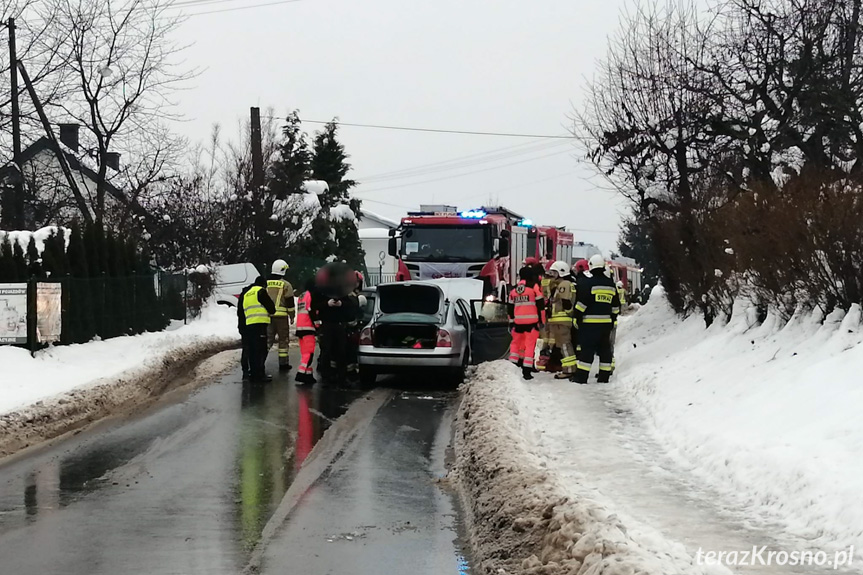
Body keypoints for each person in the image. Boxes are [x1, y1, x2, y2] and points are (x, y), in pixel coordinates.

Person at [572, 254, 620, 384]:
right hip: (606, 325)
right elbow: (616, 306)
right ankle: (604, 377)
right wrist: (612, 318)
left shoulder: (589, 283)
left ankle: (581, 378)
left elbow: (582, 304)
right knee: (605, 350)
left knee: (587, 350)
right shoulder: (611, 285)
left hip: (589, 325)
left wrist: (576, 317)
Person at [507, 265, 545, 380]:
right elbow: (541, 305)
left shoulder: (514, 290)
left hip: (518, 323)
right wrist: (542, 321)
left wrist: (511, 322)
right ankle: (527, 371)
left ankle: (513, 365)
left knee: (515, 344)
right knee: (529, 345)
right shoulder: (534, 287)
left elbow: (510, 308)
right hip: (532, 323)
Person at [238, 276, 276, 383]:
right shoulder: (260, 291)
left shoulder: (247, 293)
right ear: (263, 285)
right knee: (260, 350)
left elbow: (241, 311)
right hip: (260, 325)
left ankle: (252, 373)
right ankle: (260, 374)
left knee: (252, 351)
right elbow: (271, 308)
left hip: (248, 325)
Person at [547, 260, 577, 379]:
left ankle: (569, 369)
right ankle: (569, 368)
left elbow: (566, 303)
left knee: (565, 345)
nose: (553, 276)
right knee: (563, 345)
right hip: (560, 321)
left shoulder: (564, 284)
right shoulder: (563, 284)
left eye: (555, 273)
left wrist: (569, 315)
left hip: (562, 321)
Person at [266, 259, 296, 371]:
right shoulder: (286, 285)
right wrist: (292, 316)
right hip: (282, 318)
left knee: (267, 340)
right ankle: (283, 364)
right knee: (283, 341)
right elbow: (290, 302)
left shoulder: (265, 284)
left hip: (268, 317)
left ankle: (259, 362)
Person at [295, 278, 318, 385]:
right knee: (309, 353)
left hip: (300, 327)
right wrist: (318, 324)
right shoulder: (311, 295)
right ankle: (301, 373)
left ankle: (308, 375)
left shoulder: (301, 295)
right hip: (308, 327)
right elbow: (312, 311)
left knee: (304, 352)